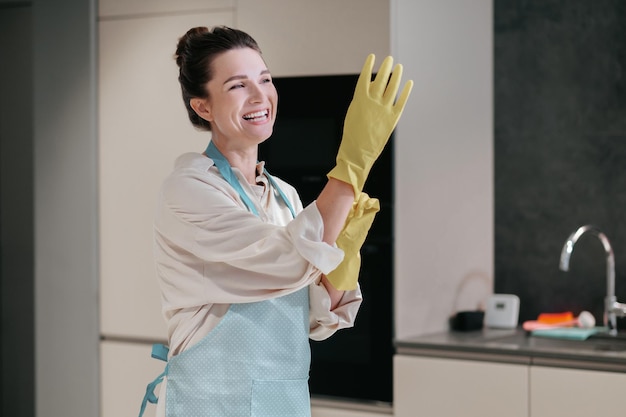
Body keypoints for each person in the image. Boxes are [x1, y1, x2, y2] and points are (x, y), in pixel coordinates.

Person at [139, 25, 412, 417]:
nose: (260, 95)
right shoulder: (188, 189)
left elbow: (317, 321)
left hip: (283, 406)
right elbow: (289, 260)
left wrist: (343, 265)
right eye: (237, 86)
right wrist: (354, 160)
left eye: (265, 79)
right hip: (212, 407)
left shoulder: (284, 196)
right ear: (203, 107)